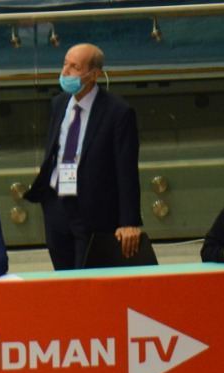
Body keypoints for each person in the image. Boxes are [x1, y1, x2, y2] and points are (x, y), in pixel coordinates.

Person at [24, 43, 142, 270]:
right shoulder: (58, 103)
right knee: (63, 277)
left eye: (74, 67)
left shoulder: (118, 112)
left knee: (86, 278)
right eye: (65, 64)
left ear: (94, 75)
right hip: (56, 204)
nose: (65, 72)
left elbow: (126, 169)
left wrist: (129, 221)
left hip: (91, 209)